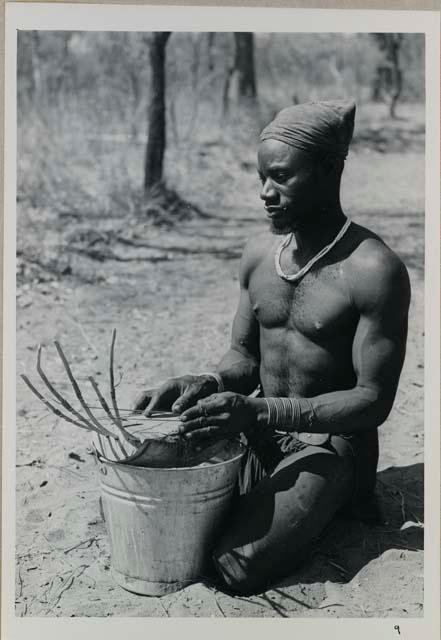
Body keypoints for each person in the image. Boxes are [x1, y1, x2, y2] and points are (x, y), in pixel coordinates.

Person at [134, 100, 411, 595]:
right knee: (147, 497)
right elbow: (243, 359)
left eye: (282, 177)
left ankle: (344, 498)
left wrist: (260, 413)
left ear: (330, 169)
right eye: (261, 176)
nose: (265, 193)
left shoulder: (374, 270)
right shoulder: (260, 254)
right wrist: (211, 383)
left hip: (328, 443)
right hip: (257, 429)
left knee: (235, 565)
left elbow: (373, 399)